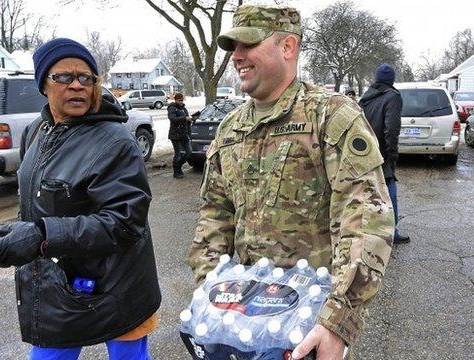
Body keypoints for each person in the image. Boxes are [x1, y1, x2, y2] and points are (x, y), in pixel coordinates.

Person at [187, 5, 394, 360]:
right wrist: (211, 295)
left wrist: (337, 322)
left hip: (307, 323)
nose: (236, 56)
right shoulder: (230, 129)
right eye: (232, 46)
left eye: (248, 44)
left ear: (287, 47)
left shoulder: (329, 116)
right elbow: (214, 217)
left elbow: (365, 219)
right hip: (242, 319)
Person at [0, 38, 161, 360]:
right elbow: (38, 196)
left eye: (85, 77)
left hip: (119, 284)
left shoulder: (116, 141)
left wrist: (42, 235)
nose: (77, 85)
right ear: (43, 84)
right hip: (61, 280)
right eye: (64, 77)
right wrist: (25, 230)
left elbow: (125, 222)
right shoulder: (36, 131)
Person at [359, 63, 410, 243]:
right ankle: (391, 233)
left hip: (364, 153)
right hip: (382, 155)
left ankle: (369, 230)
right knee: (389, 194)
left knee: (368, 193)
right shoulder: (393, 97)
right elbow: (391, 129)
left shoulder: (366, 97)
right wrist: (392, 156)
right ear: (392, 80)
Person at [167, 92, 192, 178]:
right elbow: (172, 119)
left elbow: (187, 121)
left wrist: (191, 120)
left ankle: (179, 166)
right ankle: (176, 171)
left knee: (188, 152)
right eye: (179, 100)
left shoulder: (184, 109)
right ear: (175, 100)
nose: (181, 102)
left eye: (182, 100)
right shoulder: (172, 108)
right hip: (175, 134)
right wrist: (184, 118)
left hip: (184, 134)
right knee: (178, 153)